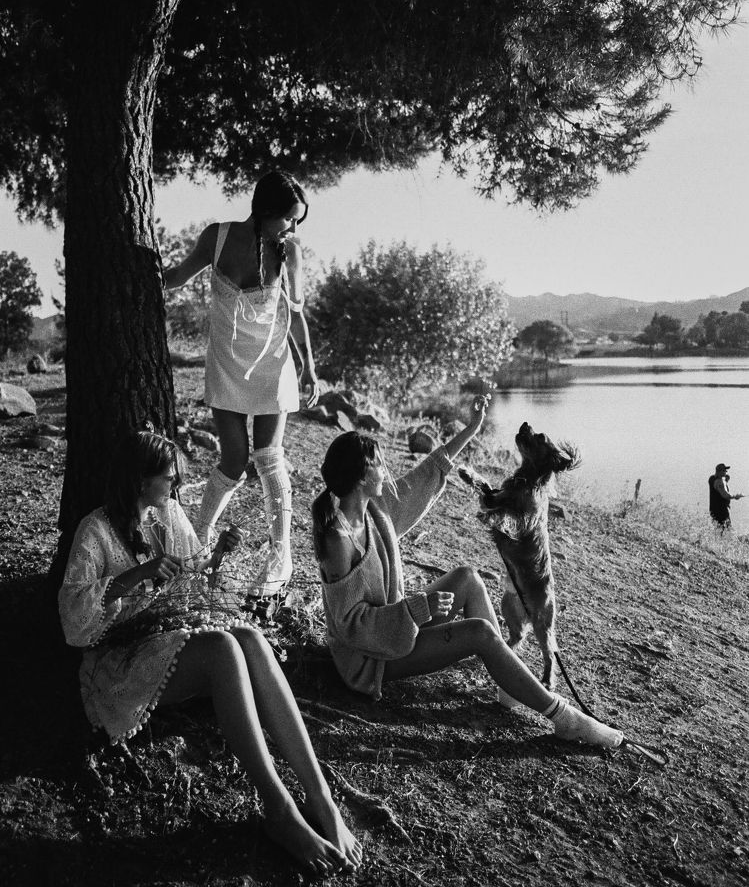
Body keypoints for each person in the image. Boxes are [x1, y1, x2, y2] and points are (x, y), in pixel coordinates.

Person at [59, 432, 361, 875]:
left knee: (252, 640)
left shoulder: (167, 514)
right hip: (120, 659)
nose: (176, 487)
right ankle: (280, 809)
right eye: (169, 478)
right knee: (223, 648)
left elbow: (193, 574)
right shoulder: (96, 530)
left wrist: (217, 556)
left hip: (170, 636)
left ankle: (321, 799)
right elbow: (75, 619)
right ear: (140, 481)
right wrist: (135, 575)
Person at [311, 398, 623, 750]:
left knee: (468, 577)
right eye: (380, 466)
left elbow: (428, 473)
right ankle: (564, 718)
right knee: (479, 633)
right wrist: (412, 611)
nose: (386, 472)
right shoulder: (339, 540)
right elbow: (349, 624)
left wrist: (472, 427)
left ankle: (510, 684)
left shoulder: (374, 510)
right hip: (368, 660)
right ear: (363, 476)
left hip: (392, 631)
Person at [163, 170, 319, 606]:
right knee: (232, 458)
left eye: (297, 222)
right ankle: (200, 538)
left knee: (269, 456)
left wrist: (309, 369)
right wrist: (136, 265)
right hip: (228, 364)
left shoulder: (289, 254)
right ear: (266, 211)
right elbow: (175, 277)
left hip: (273, 364)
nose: (292, 228)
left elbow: (297, 314)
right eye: (288, 219)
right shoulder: (216, 237)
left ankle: (280, 554)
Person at [708, 462, 743, 529]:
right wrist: (736, 496)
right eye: (724, 470)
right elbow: (725, 495)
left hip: (713, 510)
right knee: (728, 530)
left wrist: (725, 481)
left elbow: (718, 487)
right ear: (719, 471)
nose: (726, 472)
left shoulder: (711, 478)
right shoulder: (719, 481)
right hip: (721, 510)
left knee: (718, 530)